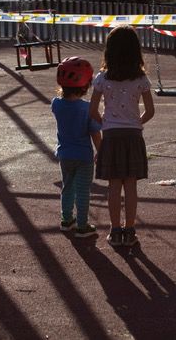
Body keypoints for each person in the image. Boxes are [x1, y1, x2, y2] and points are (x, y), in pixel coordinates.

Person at [89, 26, 155, 247]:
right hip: (133, 135)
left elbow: (92, 110)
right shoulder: (141, 79)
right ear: (136, 51)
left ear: (109, 51)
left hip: (111, 134)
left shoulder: (102, 78)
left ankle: (115, 230)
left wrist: (106, 123)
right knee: (131, 185)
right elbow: (150, 111)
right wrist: (137, 122)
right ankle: (130, 230)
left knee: (114, 185)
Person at [51, 57, 103, 238]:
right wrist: (101, 151)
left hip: (65, 155)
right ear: (85, 86)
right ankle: (82, 225)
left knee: (68, 187)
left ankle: (66, 220)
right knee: (82, 191)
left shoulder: (56, 104)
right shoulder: (88, 108)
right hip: (84, 157)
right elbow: (95, 133)